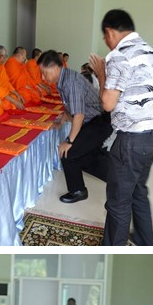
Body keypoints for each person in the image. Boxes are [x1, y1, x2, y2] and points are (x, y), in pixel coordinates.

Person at [87, 10, 153, 246]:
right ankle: (145, 242)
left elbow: (107, 104)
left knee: (118, 203)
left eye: (105, 37)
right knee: (138, 193)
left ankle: (113, 250)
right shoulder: (149, 51)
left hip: (131, 142)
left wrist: (101, 74)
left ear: (110, 32)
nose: (106, 42)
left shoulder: (119, 56)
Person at [37, 49, 112, 203]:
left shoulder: (71, 82)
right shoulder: (62, 80)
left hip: (99, 122)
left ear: (54, 68)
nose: (43, 77)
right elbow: (69, 106)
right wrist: (61, 122)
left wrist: (69, 141)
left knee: (68, 153)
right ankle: (119, 177)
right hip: (93, 121)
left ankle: (78, 191)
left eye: (44, 73)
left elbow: (79, 114)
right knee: (86, 155)